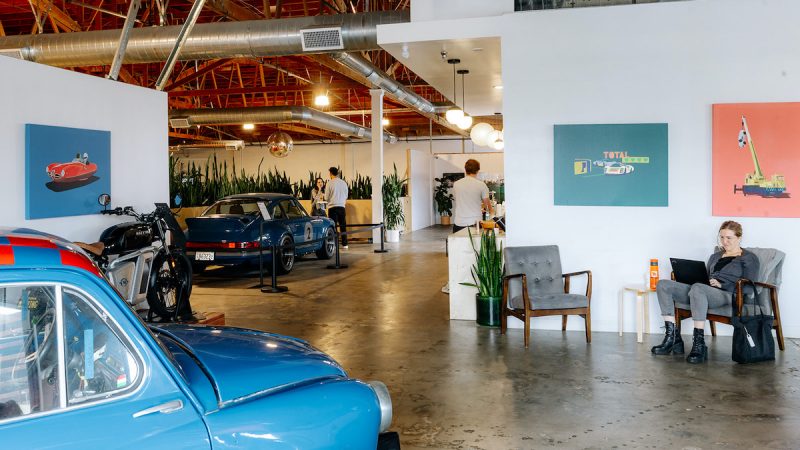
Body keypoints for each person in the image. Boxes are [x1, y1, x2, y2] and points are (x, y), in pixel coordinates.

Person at [651, 220, 760, 364]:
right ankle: (672, 338)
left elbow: (748, 287)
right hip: (703, 290)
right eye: (721, 237)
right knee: (663, 284)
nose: (724, 241)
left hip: (728, 294)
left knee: (698, 288)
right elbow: (706, 277)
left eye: (729, 238)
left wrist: (721, 285)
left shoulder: (749, 258)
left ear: (739, 238)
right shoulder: (715, 256)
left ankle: (699, 345)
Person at [451, 159, 492, 233]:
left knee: (459, 244)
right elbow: (488, 207)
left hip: (459, 223)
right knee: (475, 244)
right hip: (475, 223)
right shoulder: (481, 185)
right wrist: (492, 212)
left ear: (465, 169)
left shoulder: (456, 184)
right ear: (477, 170)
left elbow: (460, 200)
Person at [325, 167, 349, 249]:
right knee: (343, 226)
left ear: (331, 173)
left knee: (333, 227)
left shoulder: (329, 183)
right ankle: (345, 244)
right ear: (338, 173)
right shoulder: (343, 183)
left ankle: (334, 244)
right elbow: (346, 195)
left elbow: (326, 197)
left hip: (332, 207)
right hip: (342, 207)